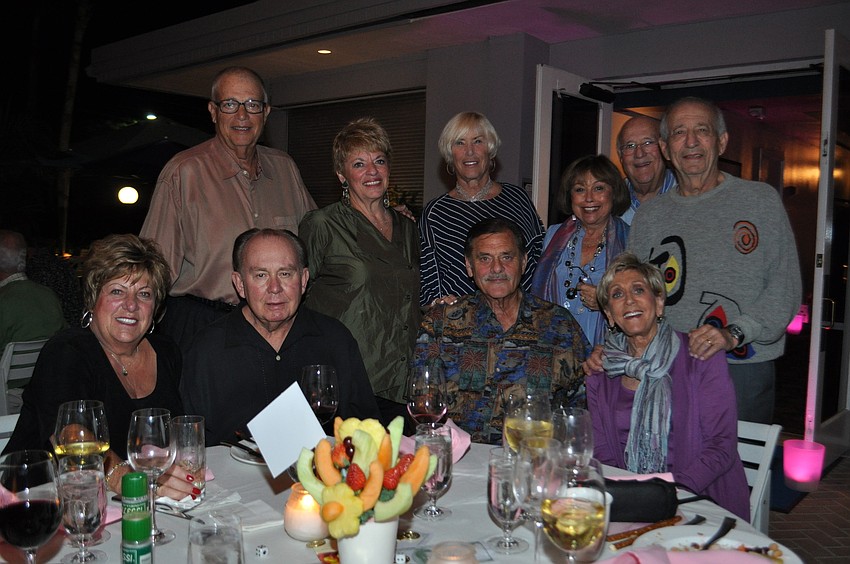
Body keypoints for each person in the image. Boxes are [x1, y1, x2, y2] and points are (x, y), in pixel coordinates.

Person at [628, 97, 801, 424]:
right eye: (679, 132)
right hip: (667, 367)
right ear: (665, 148)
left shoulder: (760, 201)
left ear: (721, 142)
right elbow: (637, 293)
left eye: (702, 131)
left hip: (742, 370)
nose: (691, 142)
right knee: (668, 469)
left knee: (737, 470)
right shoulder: (649, 216)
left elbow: (784, 289)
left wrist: (733, 332)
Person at [140, 66, 317, 351]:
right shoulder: (183, 172)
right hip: (203, 326)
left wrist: (379, 215)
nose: (242, 116)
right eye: (230, 104)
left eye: (252, 105)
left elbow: (320, 237)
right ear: (213, 111)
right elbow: (153, 269)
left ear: (266, 112)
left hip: (276, 328)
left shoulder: (285, 169)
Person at [3, 234, 191, 500]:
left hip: (130, 501)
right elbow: (70, 434)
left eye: (144, 294)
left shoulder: (166, 351)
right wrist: (123, 477)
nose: (131, 305)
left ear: (155, 307)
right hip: (36, 498)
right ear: (92, 298)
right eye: (117, 291)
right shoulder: (67, 352)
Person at [587, 253, 750, 520]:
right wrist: (633, 499)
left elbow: (721, 446)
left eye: (638, 290)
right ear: (609, 315)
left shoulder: (701, 356)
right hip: (630, 499)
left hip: (702, 501)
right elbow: (603, 454)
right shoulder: (599, 373)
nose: (629, 300)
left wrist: (666, 494)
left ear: (659, 302)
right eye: (617, 295)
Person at [180, 228, 380, 445]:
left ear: (303, 280)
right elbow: (189, 445)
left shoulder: (335, 340)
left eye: (285, 274)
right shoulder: (207, 349)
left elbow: (366, 432)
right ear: (239, 284)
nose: (274, 288)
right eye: (261, 275)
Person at [414, 218, 590, 444]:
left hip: (534, 462)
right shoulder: (441, 323)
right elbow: (422, 407)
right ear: (469, 266)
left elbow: (583, 405)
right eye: (485, 258)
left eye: (507, 257)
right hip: (460, 464)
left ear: (524, 262)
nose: (497, 268)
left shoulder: (559, 325)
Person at [298, 118, 419, 429]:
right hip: (348, 380)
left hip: (402, 380)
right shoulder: (322, 225)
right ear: (342, 175)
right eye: (359, 164)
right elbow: (295, 296)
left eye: (379, 161)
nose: (372, 171)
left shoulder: (407, 227)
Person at [419, 111, 544, 307]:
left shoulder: (517, 199)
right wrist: (438, 304)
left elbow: (538, 260)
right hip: (460, 324)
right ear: (450, 154)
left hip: (518, 318)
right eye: (459, 143)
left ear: (490, 149)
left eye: (478, 141)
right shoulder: (436, 213)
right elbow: (429, 277)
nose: (470, 151)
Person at [531, 155, 630, 346]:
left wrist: (605, 301)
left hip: (605, 351)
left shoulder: (630, 240)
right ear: (570, 196)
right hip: (553, 349)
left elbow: (642, 305)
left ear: (614, 192)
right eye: (579, 189)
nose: (589, 198)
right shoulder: (552, 236)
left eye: (599, 188)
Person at [0, 230, 66, 357]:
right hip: (46, 373)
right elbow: (63, 337)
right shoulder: (49, 295)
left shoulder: (3, 300)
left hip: (9, 376)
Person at [615, 116, 677, 225]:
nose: (639, 153)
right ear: (621, 156)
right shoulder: (610, 201)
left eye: (648, 143)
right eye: (630, 146)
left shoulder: (690, 195)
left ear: (665, 148)